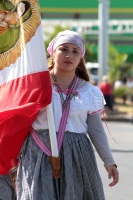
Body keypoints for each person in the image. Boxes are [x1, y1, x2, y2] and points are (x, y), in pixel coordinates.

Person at [11, 30, 118, 200]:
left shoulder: (89, 92)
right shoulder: (35, 84)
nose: (69, 55)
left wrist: (109, 161)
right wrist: (12, 159)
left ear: (80, 57)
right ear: (53, 52)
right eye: (64, 49)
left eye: (75, 51)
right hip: (38, 153)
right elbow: (18, 123)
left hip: (78, 156)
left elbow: (96, 130)